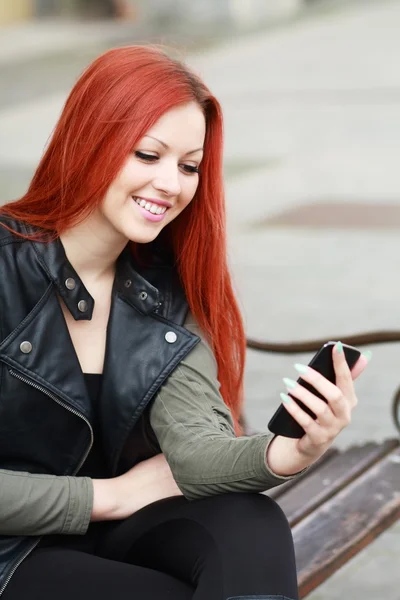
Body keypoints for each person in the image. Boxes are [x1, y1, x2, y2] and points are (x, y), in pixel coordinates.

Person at [0, 45, 370, 600]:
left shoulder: (163, 286)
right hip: (13, 549)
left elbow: (196, 452)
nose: (171, 185)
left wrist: (288, 452)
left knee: (251, 525)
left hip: (115, 535)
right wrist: (112, 496)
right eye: (148, 155)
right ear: (90, 141)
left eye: (189, 165)